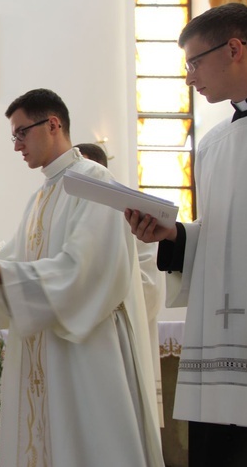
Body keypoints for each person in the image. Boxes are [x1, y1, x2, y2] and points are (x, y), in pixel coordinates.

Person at [0, 89, 164, 466]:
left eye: (21, 133)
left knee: (86, 445)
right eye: (13, 136)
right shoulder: (41, 197)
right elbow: (14, 261)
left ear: (53, 124)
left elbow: (86, 268)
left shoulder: (94, 180)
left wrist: (4, 272)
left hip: (86, 347)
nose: (17, 145)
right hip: (47, 346)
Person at [125, 2, 247, 466]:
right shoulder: (215, 143)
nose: (189, 77)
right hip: (220, 334)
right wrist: (175, 235)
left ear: (234, 49)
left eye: (194, 62)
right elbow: (224, 237)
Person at [75, 142, 167, 424]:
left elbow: (149, 286)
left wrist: (91, 291)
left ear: (99, 169)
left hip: (121, 344)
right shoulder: (74, 217)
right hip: (81, 347)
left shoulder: (137, 211)